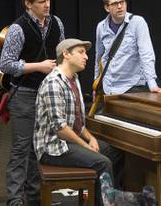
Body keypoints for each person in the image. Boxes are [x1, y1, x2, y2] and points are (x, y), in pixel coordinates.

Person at [34, 38, 123, 206]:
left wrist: (91, 138)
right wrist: (85, 145)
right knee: (103, 162)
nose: (86, 57)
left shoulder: (73, 79)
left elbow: (77, 122)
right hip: (53, 148)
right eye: (81, 52)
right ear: (66, 54)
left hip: (68, 143)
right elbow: (60, 128)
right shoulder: (54, 83)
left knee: (115, 151)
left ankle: (102, 200)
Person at [0, 0, 65, 206]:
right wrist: (38, 66)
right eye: (41, 2)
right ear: (28, 4)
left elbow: (62, 54)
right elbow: (6, 64)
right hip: (25, 95)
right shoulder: (18, 28)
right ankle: (15, 200)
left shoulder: (56, 23)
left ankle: (35, 199)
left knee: (39, 149)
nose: (47, 5)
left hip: (49, 96)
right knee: (21, 149)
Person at [94, 0, 161, 95]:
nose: (120, 6)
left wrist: (152, 83)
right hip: (109, 87)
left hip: (133, 86)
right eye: (115, 4)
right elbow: (99, 56)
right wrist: (96, 83)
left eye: (122, 2)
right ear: (107, 7)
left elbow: (146, 54)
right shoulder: (101, 27)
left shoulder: (137, 22)